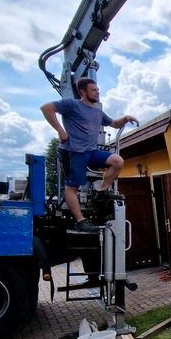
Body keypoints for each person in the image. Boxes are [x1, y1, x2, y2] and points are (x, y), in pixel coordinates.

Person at [41, 78, 137, 231]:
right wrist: (60, 130)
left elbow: (113, 123)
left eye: (98, 90)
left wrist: (125, 118)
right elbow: (46, 108)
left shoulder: (97, 111)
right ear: (83, 92)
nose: (97, 92)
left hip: (91, 151)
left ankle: (101, 191)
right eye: (93, 90)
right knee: (73, 187)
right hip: (74, 151)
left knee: (117, 161)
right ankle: (81, 221)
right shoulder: (72, 104)